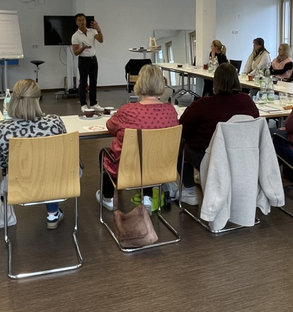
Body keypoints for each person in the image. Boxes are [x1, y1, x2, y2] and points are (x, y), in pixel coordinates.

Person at [96, 65, 179, 214]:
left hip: (128, 170)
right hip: (160, 169)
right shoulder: (170, 111)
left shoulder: (128, 111)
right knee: (149, 153)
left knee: (105, 153)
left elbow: (110, 127)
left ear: (140, 83)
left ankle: (107, 198)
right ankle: (146, 197)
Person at [0, 79, 68, 229]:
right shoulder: (55, 122)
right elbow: (63, 154)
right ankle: (53, 213)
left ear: (13, 99)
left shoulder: (0, 129)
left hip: (20, 184)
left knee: (40, 169)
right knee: (49, 167)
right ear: (37, 100)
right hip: (55, 180)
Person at [179, 63, 259, 204]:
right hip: (241, 157)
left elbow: (183, 128)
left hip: (209, 157)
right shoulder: (247, 102)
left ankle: (190, 191)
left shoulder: (204, 104)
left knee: (180, 145)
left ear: (215, 82)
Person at [71, 13, 104, 113]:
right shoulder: (75, 36)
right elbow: (76, 52)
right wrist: (83, 48)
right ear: (76, 23)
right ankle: (83, 104)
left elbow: (101, 40)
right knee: (83, 82)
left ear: (86, 21)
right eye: (79, 20)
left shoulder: (92, 31)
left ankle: (94, 103)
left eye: (83, 20)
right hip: (83, 60)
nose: (82, 22)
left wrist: (98, 29)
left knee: (94, 82)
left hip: (93, 59)